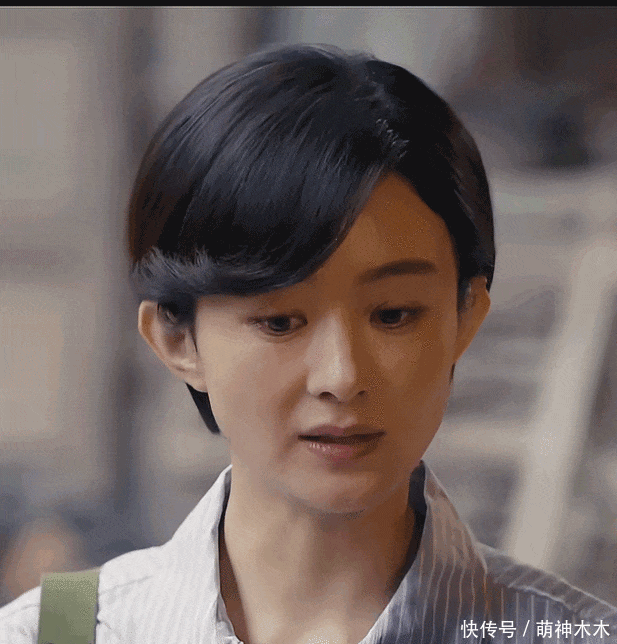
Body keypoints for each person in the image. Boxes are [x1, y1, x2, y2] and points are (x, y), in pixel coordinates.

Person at [1, 43, 616, 644]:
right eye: (279, 322)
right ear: (176, 339)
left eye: (393, 314)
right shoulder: (59, 632)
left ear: (465, 318)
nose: (341, 376)